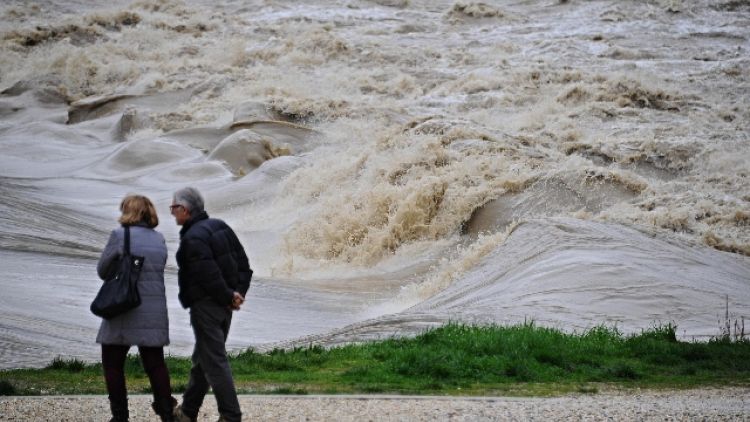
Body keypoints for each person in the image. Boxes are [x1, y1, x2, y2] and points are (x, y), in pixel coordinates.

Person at [169, 187, 252, 422]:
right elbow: (244, 266)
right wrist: (237, 294)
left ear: (184, 209)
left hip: (207, 306)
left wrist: (229, 296)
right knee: (203, 358)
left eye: (173, 208)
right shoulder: (221, 226)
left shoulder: (193, 237)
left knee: (214, 361)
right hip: (225, 307)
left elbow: (208, 275)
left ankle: (231, 415)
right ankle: (187, 412)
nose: (172, 213)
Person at [96, 194, 176, 422]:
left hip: (124, 306)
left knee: (112, 363)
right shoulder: (159, 239)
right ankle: (167, 414)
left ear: (128, 211)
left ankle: (120, 417)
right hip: (154, 310)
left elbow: (103, 271)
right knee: (155, 364)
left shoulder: (119, 235)